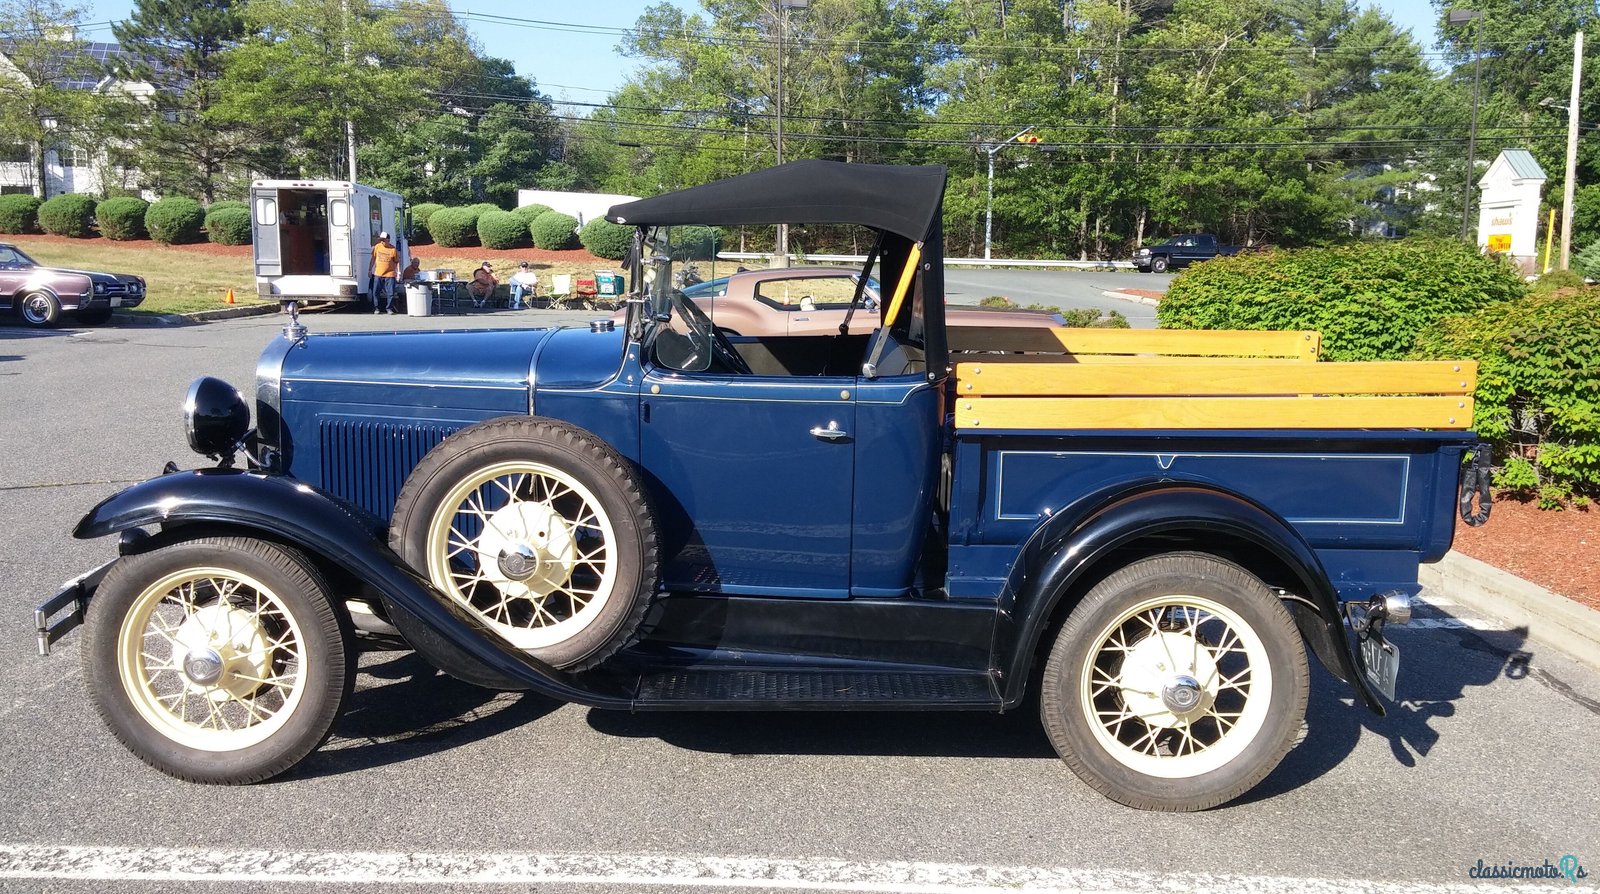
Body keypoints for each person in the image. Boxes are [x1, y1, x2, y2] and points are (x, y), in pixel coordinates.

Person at [370, 231, 399, 314]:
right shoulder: (377, 247)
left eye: (383, 240)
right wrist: (370, 270)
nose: (382, 241)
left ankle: (389, 308)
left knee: (390, 293)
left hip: (389, 274)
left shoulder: (393, 249)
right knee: (376, 292)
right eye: (381, 240)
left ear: (388, 240)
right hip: (378, 273)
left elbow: (397, 261)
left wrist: (398, 272)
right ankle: (376, 308)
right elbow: (373, 259)